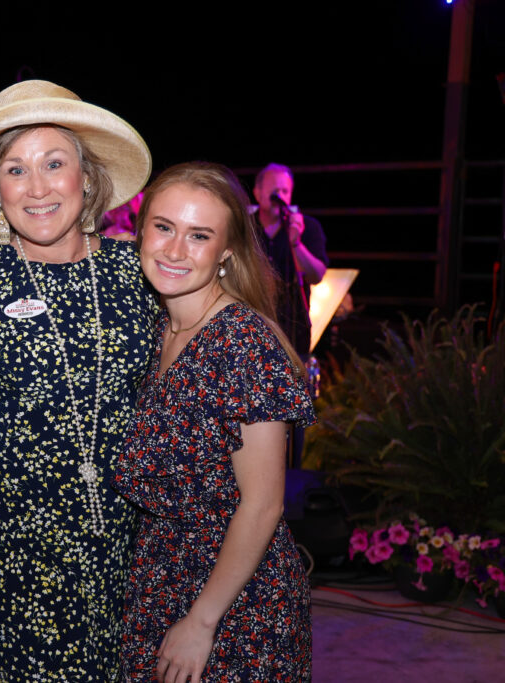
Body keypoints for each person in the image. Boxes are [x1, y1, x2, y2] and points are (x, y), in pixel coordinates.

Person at [0, 80, 158, 680]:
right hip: (21, 552)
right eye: (15, 169)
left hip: (136, 538)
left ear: (87, 178)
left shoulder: (142, 272)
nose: (37, 187)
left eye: (55, 164)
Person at [115, 162, 314, 682]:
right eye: (163, 227)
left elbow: (264, 502)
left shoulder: (241, 344)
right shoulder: (160, 327)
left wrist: (201, 621)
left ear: (226, 252)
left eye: (198, 236)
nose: (175, 250)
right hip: (162, 579)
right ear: (141, 230)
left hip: (233, 603)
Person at [252, 163, 328, 468]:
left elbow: (316, 275)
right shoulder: (245, 228)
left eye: (285, 190)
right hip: (253, 327)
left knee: (290, 405)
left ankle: (290, 473)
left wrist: (296, 242)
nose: (279, 195)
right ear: (257, 191)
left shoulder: (305, 226)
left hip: (292, 328)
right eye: (273, 189)